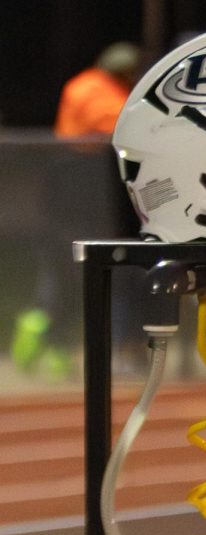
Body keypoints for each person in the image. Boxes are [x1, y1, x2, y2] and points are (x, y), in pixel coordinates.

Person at [12, 42, 145, 379]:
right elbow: (120, 128)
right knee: (104, 276)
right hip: (87, 196)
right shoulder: (104, 94)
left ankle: (43, 335)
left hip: (66, 198)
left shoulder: (80, 85)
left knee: (64, 280)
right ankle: (95, 349)